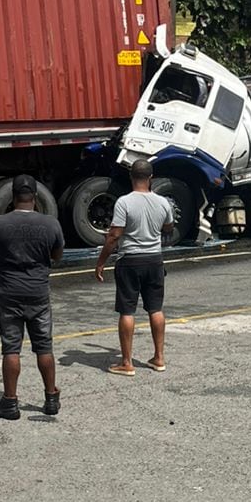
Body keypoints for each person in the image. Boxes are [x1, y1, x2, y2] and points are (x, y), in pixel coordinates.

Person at [0, 174, 64, 419]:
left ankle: (10, 402)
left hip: (9, 293)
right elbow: (57, 255)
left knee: (11, 348)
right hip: (38, 293)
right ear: (35, 197)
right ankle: (50, 398)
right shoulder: (51, 224)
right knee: (44, 347)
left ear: (13, 196)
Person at [95, 159, 174, 375]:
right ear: (151, 178)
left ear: (131, 177)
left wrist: (101, 262)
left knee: (127, 311)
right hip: (154, 259)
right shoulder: (163, 202)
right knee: (155, 309)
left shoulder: (124, 202)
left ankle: (127, 362)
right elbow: (169, 227)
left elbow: (114, 236)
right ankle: (159, 358)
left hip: (130, 260)